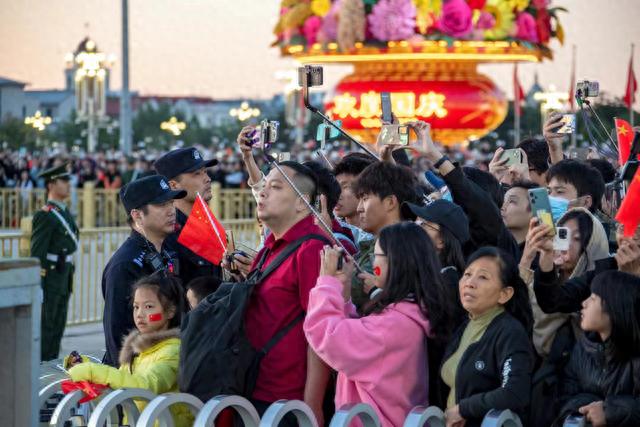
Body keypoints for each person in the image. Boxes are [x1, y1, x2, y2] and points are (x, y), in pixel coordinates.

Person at [304, 222, 457, 425]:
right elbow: (357, 333)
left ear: (396, 262)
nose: (373, 263)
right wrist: (343, 289)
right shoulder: (410, 313)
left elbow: (326, 335)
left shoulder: (396, 324)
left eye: (377, 256)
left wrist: (326, 283)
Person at [244, 161, 331, 424]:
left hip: (289, 400)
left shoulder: (312, 250)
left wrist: (312, 403)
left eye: (276, 187)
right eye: (264, 186)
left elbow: (321, 330)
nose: (263, 192)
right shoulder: (268, 248)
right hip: (255, 387)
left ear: (302, 203)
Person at [68, 274, 192, 427]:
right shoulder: (138, 351)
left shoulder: (173, 350)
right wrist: (83, 366)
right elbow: (117, 382)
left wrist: (92, 371)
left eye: (149, 307)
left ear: (170, 311)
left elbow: (145, 387)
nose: (139, 314)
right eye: (136, 307)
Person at [441, 247, 534, 427]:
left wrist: (464, 409)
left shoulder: (510, 332)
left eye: (483, 277)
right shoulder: (464, 325)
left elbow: (515, 392)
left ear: (504, 294)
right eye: (467, 274)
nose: (470, 283)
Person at [101, 175, 186, 366]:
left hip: (167, 363)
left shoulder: (166, 252)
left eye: (171, 202)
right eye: (162, 204)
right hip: (142, 377)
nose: (172, 210)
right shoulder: (126, 265)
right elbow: (119, 337)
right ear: (137, 215)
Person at [555, 271, 640, 427]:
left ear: (614, 307)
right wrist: (586, 408)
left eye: (593, 298)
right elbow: (565, 395)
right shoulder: (583, 347)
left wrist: (609, 412)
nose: (584, 303)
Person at [351, 161, 420, 307]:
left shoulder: (407, 249)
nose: (359, 208)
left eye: (365, 198)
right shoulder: (374, 244)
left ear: (390, 202)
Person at [30, 163, 79, 361]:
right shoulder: (45, 215)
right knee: (47, 327)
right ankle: (41, 372)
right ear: (51, 185)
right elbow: (37, 253)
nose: (68, 185)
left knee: (58, 326)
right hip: (50, 277)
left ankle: (51, 367)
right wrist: (39, 283)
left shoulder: (64, 212)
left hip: (63, 274)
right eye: (63, 181)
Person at [154, 147, 222, 286]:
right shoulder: (168, 233)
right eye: (197, 174)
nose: (208, 179)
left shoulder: (205, 223)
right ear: (173, 185)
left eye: (205, 172)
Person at [333, 153, 376, 236]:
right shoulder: (332, 232)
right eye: (335, 186)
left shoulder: (381, 234)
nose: (336, 193)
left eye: (345, 187)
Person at [500, 181, 539, 247]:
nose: (502, 207)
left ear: (533, 212)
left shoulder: (543, 252)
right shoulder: (492, 246)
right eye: (503, 201)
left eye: (512, 201)